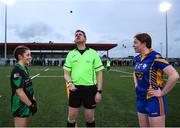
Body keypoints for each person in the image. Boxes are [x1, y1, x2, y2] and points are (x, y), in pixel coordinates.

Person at [133, 33, 179, 127]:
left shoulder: (155, 57)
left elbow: (174, 75)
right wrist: (136, 85)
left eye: (135, 42)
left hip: (153, 99)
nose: (133, 45)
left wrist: (162, 92)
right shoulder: (138, 58)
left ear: (144, 43)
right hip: (140, 98)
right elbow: (135, 72)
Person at [63, 29, 104, 127]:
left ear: (85, 39)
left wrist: (99, 91)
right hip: (74, 89)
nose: (77, 35)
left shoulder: (93, 53)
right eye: (76, 35)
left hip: (90, 89)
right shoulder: (71, 54)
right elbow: (66, 73)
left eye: (80, 34)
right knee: (72, 116)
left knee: (89, 117)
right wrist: (70, 83)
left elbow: (99, 73)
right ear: (74, 40)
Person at [10, 45, 37, 127]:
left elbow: (28, 87)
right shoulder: (17, 71)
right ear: (20, 56)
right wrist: (31, 105)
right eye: (28, 55)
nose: (30, 57)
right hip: (20, 106)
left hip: (26, 103)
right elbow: (19, 92)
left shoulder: (24, 68)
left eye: (30, 55)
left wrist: (33, 100)